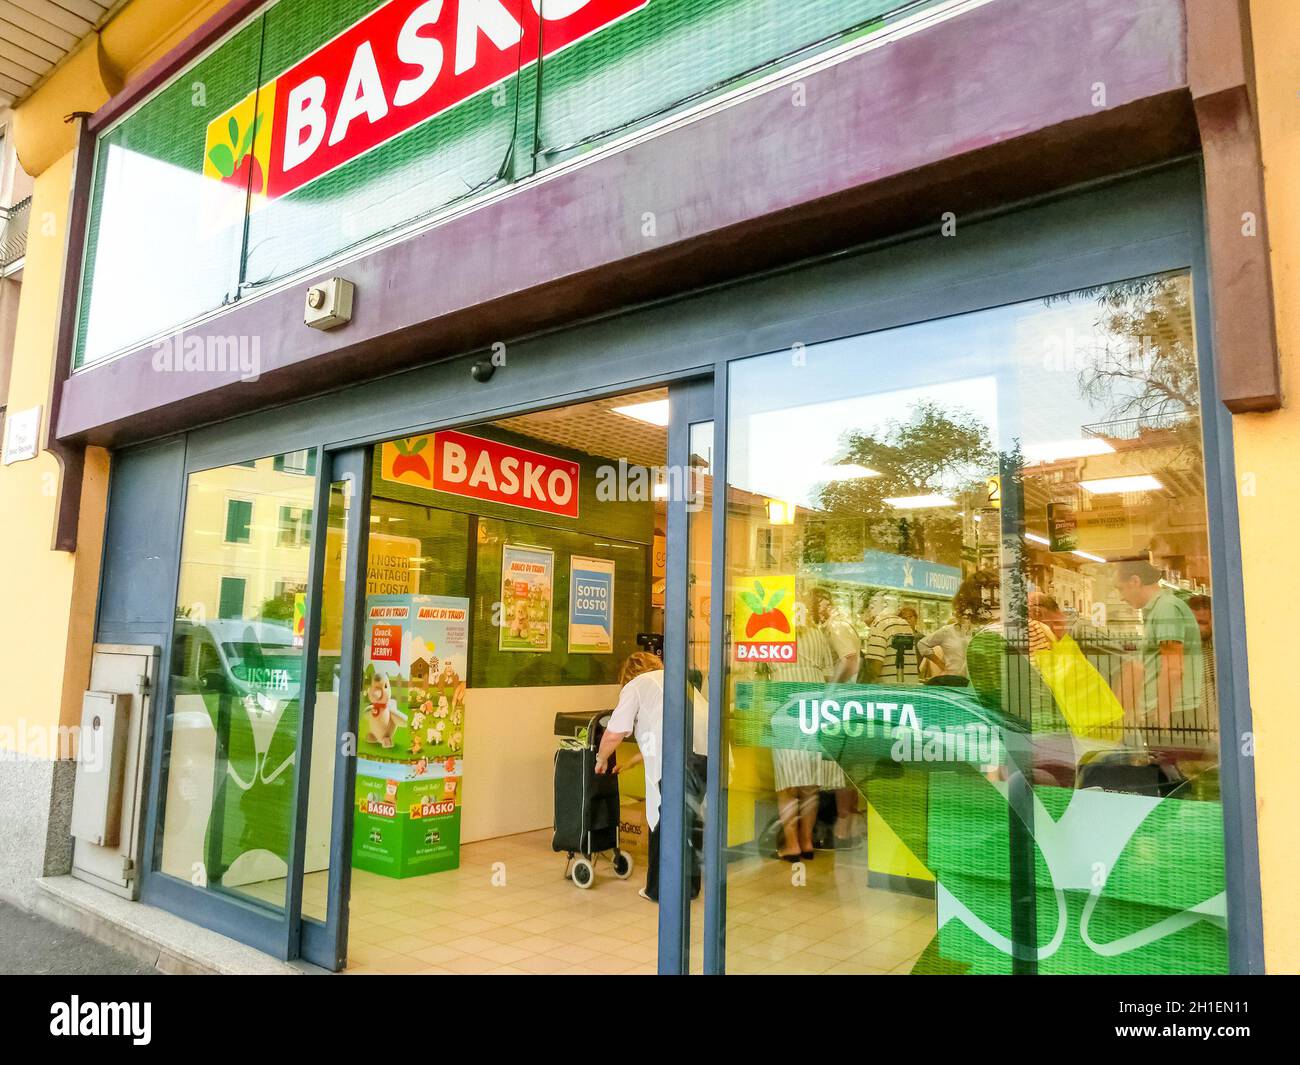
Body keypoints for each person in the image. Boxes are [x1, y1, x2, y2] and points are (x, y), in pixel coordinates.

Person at [768, 588, 836, 861]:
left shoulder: (773, 633)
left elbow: (757, 672)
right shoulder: (818, 634)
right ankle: (807, 842)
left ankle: (792, 844)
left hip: (786, 708)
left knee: (787, 784)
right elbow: (831, 674)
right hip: (815, 708)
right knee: (810, 784)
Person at [595, 652, 667, 901]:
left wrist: (601, 758)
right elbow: (659, 735)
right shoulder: (673, 680)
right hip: (701, 756)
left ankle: (656, 889)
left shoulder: (637, 685)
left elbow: (615, 733)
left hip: (672, 763)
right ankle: (689, 888)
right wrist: (632, 762)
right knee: (687, 823)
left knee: (662, 820)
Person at [1116, 560, 1203, 731]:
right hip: (1168, 712)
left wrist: (1163, 721)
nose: (1121, 596)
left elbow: (1173, 670)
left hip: (1175, 714)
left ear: (1135, 581)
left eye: (1121, 588)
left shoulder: (1166, 608)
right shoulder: (1158, 609)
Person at [809, 586, 864, 848]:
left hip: (840, 701)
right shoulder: (842, 623)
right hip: (847, 700)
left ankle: (843, 829)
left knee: (839, 767)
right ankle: (848, 827)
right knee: (846, 766)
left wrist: (830, 689)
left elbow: (849, 659)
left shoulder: (836, 626)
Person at [861, 592, 920, 684]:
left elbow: (875, 667)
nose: (861, 618)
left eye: (861, 612)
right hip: (910, 687)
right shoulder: (904, 623)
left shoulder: (878, 625)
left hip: (888, 690)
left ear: (870, 609)